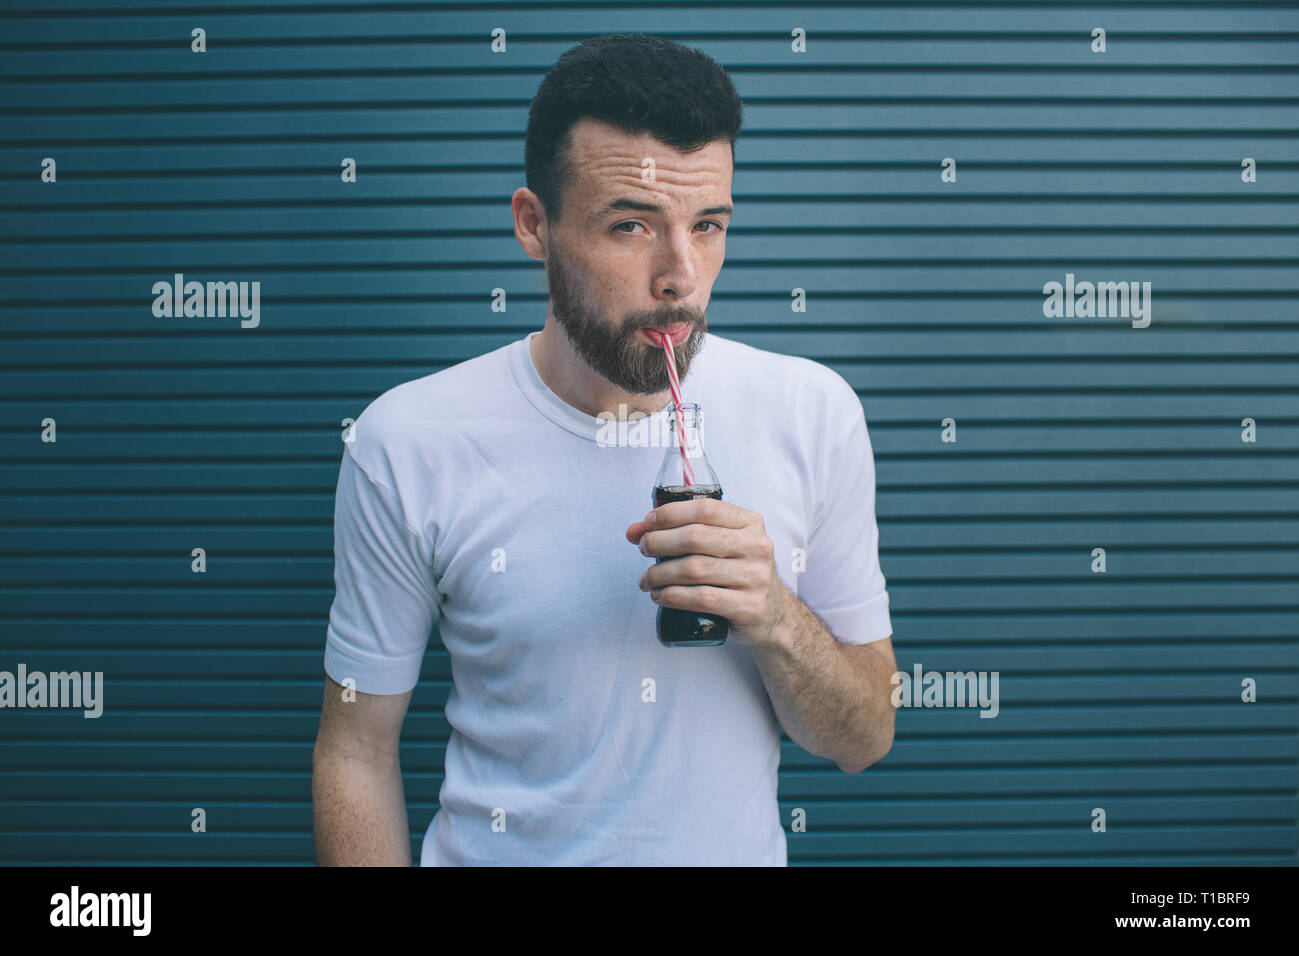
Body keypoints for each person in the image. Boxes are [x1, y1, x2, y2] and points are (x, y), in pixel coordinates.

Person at [312, 32, 896, 867]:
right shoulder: (407, 441)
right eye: (631, 226)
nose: (681, 277)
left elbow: (866, 737)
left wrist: (775, 617)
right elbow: (356, 749)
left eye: (708, 225)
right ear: (534, 225)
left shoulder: (813, 412)